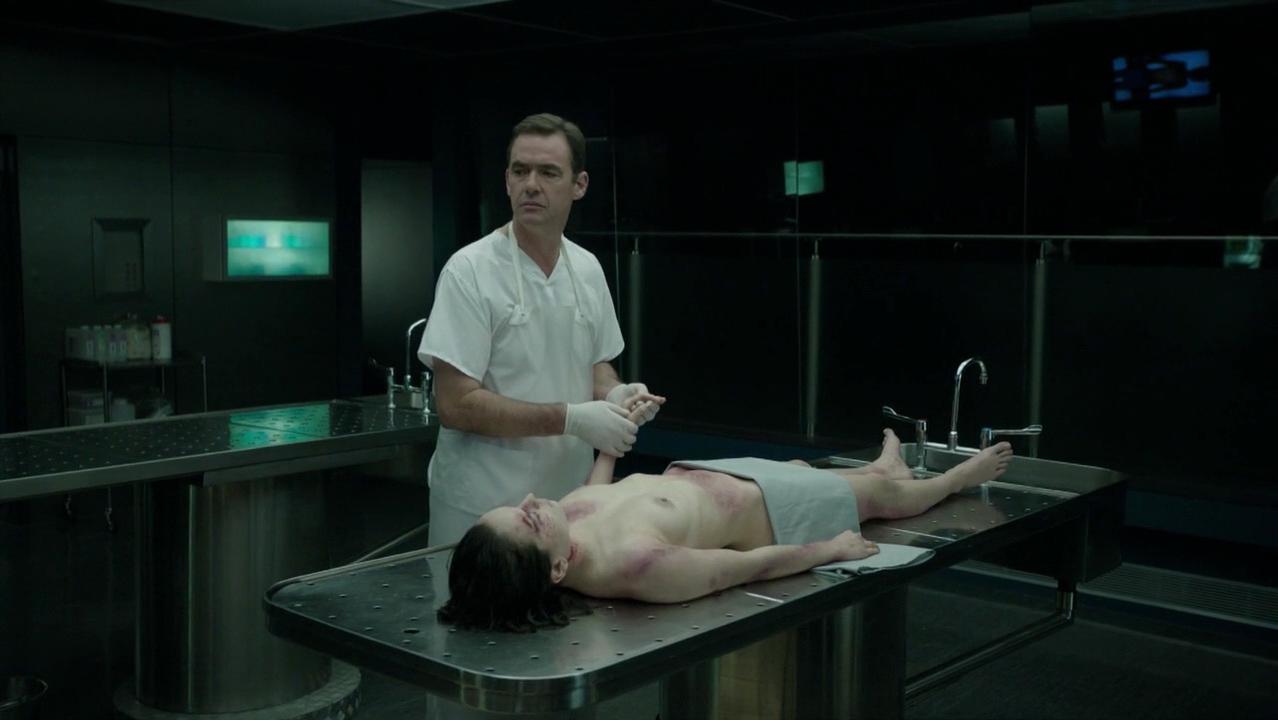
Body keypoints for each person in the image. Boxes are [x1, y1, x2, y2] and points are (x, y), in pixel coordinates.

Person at [438, 425, 1015, 632]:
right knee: (884, 502)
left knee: (807, 468)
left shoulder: (565, 520)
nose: (533, 500)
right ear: (558, 569)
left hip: (720, 475)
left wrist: (611, 442)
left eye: (519, 505)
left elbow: (598, 487)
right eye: (530, 518)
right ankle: (954, 480)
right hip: (770, 514)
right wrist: (827, 549)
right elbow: (737, 570)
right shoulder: (636, 565)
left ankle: (882, 466)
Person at [418, 112, 665, 547]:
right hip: (482, 511)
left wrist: (615, 395)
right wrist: (571, 418)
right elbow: (456, 404)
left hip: (567, 504)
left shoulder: (587, 269)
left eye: (548, 172)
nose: (531, 184)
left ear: (579, 185)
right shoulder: (469, 271)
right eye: (520, 171)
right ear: (507, 181)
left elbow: (596, 364)